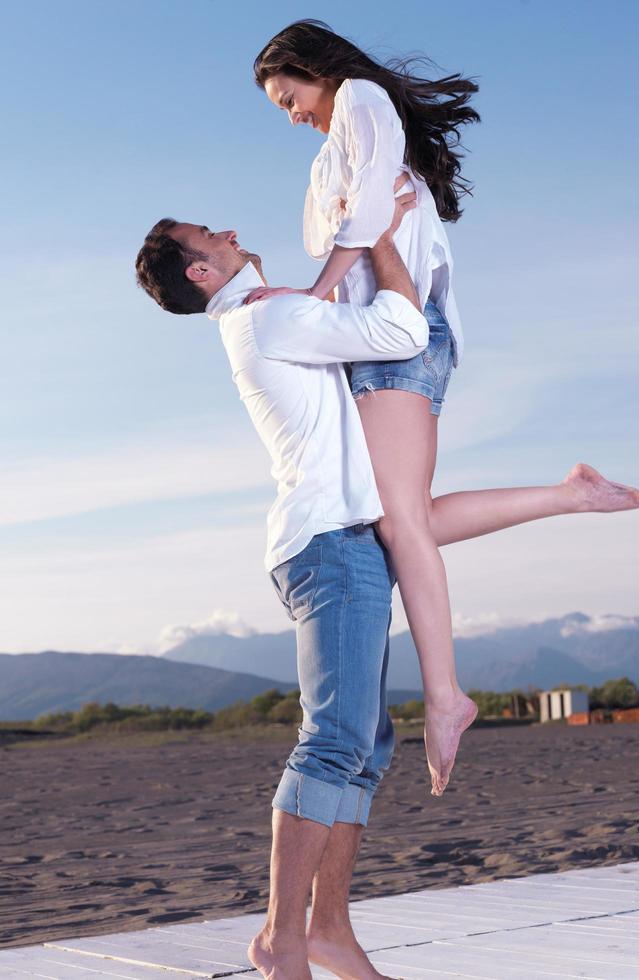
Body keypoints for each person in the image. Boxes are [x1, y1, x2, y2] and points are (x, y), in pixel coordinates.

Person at [250, 20, 639, 795]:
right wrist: (338, 241)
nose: (290, 113)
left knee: (398, 522)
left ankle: (445, 696)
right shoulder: (332, 147)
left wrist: (321, 279)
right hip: (381, 336)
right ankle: (572, 495)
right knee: (399, 518)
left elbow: (362, 218)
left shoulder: (362, 98)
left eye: (287, 96)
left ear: (313, 69)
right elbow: (330, 230)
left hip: (396, 337)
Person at [136, 185, 424, 979]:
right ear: (199, 271)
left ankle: (327, 930)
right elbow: (403, 328)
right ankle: (280, 937)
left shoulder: (266, 310)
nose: (229, 230)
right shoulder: (264, 316)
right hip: (328, 544)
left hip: (337, 541)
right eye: (210, 234)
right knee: (333, 742)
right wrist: (384, 234)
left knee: (365, 743)